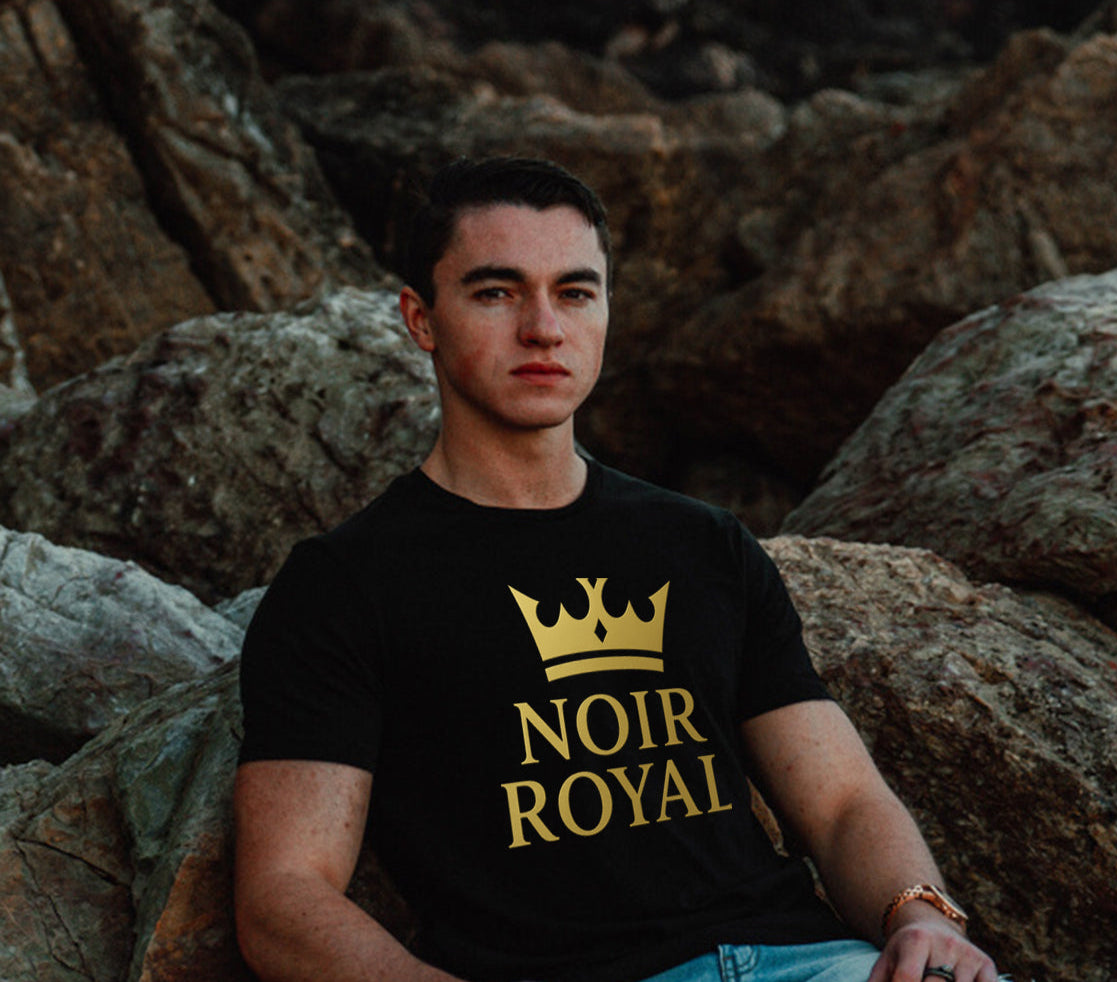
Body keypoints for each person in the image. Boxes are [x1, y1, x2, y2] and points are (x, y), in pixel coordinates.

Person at [233, 156, 1000, 982]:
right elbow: (283, 893)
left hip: (814, 964)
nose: (542, 328)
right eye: (495, 292)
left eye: (574, 292)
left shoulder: (702, 544)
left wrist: (919, 918)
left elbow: (843, 803)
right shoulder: (346, 584)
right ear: (421, 319)